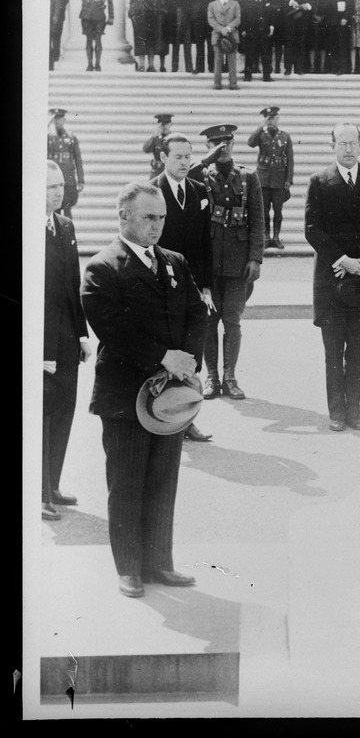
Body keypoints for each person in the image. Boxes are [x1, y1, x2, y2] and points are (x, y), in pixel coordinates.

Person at [81, 181, 208, 598]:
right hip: (126, 397)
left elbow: (196, 314)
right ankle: (129, 568)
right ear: (124, 218)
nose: (157, 226)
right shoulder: (103, 267)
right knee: (128, 480)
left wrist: (187, 362)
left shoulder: (174, 261)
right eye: (149, 218)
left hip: (171, 395)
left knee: (162, 481)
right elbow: (113, 330)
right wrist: (163, 358)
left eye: (162, 218)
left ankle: (159, 563)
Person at [305, 123, 360, 431]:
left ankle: (353, 411)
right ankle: (336, 412)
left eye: (352, 143)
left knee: (358, 351)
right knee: (333, 352)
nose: (347, 149)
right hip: (330, 282)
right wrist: (343, 259)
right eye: (341, 143)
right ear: (333, 145)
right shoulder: (319, 182)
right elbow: (311, 229)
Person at [190, 124, 264, 400]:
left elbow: (258, 221)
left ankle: (230, 377)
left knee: (232, 321)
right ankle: (212, 378)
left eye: (227, 143)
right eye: (216, 144)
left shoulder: (248, 177)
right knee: (209, 320)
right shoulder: (201, 175)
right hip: (208, 264)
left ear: (234, 144)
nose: (223, 149)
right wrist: (208, 159)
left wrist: (256, 258)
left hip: (237, 264)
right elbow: (186, 176)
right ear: (208, 147)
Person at [151, 133, 215, 442]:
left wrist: (206, 287)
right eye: (178, 156)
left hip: (191, 287)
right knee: (166, 352)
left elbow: (205, 241)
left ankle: (187, 418)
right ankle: (159, 415)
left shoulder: (200, 190)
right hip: (161, 285)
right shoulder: (151, 191)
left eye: (188, 156)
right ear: (163, 158)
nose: (185, 162)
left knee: (191, 351)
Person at [43, 160, 92, 521]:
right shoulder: (28, 227)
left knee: (64, 412)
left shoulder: (65, 225)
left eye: (61, 186)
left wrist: (81, 335)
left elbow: (73, 286)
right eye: (50, 187)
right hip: (41, 343)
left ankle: (54, 485)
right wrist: (41, 352)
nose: (59, 192)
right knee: (42, 417)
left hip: (66, 340)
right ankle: (39, 491)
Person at [247, 106, 295, 249]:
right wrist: (260, 127)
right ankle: (266, 237)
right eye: (269, 119)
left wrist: (288, 180)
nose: (271, 122)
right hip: (264, 179)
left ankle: (276, 237)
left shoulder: (284, 136)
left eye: (273, 119)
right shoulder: (261, 135)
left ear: (277, 119)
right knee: (264, 210)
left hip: (279, 179)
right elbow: (250, 143)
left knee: (278, 211)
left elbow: (290, 159)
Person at [46, 108, 84, 219]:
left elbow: (78, 160)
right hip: (54, 180)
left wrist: (80, 180)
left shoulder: (71, 138)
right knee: (55, 211)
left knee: (67, 210)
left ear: (64, 120)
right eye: (55, 119)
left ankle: (68, 234)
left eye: (60, 119)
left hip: (68, 181)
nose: (58, 122)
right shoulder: (48, 138)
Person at [239, 0, 276, 82]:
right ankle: (248, 76)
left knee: (266, 54)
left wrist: (271, 26)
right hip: (251, 31)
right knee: (250, 54)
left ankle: (266, 76)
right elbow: (242, 14)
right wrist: (243, 29)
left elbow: (271, 13)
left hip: (264, 31)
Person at [208, 0, 241, 90]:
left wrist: (228, 28)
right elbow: (211, 19)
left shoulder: (235, 4)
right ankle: (217, 83)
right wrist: (221, 29)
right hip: (218, 36)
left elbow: (238, 19)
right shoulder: (212, 4)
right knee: (218, 61)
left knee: (232, 61)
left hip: (232, 36)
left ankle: (233, 83)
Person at [129, 0, 166, 73]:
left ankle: (151, 65)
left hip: (153, 15)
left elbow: (161, 2)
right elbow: (132, 3)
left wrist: (160, 14)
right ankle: (142, 65)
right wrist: (132, 15)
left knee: (152, 41)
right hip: (140, 15)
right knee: (140, 40)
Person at [80, 0, 114, 71]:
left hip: (99, 16)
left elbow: (110, 1)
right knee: (89, 40)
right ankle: (90, 64)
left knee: (98, 40)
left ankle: (97, 64)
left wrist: (111, 16)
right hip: (86, 16)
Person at [142, 114, 174, 179]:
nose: (164, 127)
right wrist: (154, 136)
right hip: (156, 171)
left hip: (170, 171)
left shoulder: (174, 138)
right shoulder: (156, 139)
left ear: (170, 124)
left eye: (166, 124)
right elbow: (146, 149)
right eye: (162, 124)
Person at [50, 0, 69, 70]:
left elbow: (63, 0)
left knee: (55, 40)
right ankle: (52, 61)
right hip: (54, 15)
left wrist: (56, 15)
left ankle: (54, 60)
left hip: (56, 17)